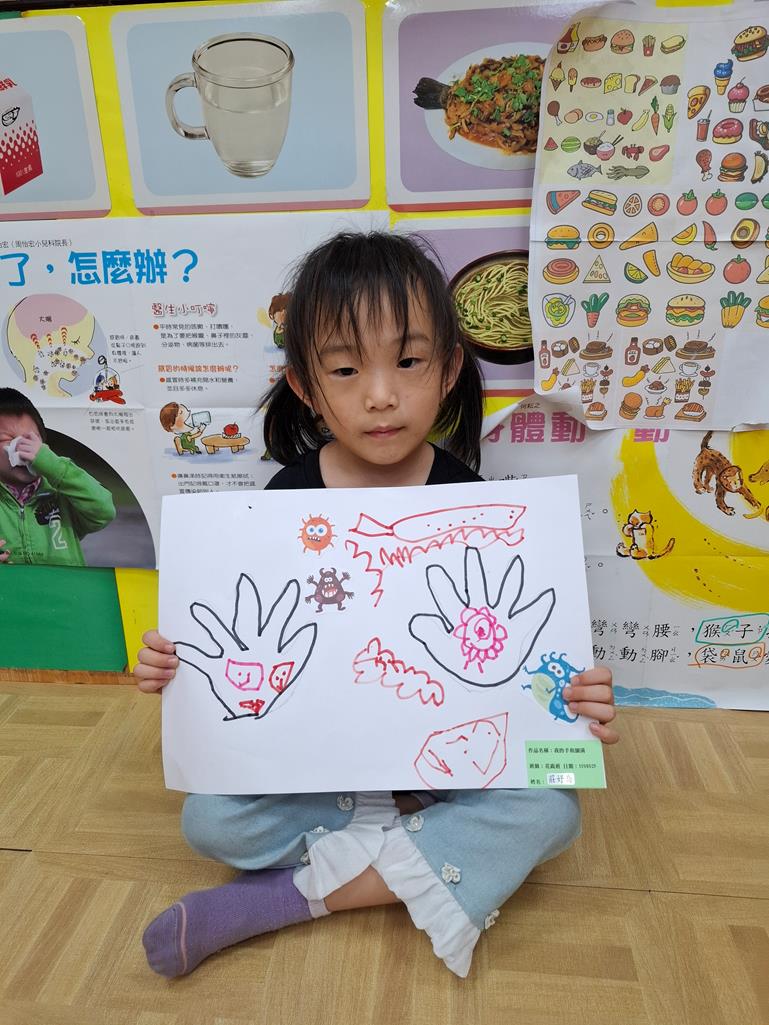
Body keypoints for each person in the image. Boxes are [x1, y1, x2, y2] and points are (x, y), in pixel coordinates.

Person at [134, 232, 618, 980]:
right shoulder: (284, 500)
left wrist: (572, 696)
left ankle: (292, 897)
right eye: (345, 368)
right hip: (318, 776)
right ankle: (422, 850)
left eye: (409, 361)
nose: (381, 394)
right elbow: (246, 643)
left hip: (442, 769)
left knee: (554, 809)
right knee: (210, 819)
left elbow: (521, 657)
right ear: (305, 385)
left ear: (448, 367)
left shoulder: (471, 502)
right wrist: (180, 670)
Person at [0, 387, 115, 566]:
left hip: (66, 584)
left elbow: (104, 511)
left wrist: (52, 465)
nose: (21, 447)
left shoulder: (62, 491)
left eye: (30, 438)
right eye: (7, 439)